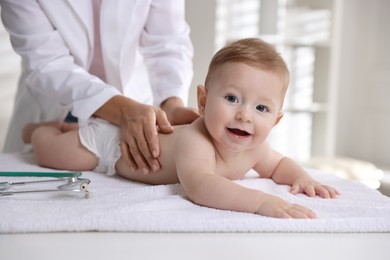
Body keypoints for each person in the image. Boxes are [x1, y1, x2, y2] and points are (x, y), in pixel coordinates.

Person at [24, 38, 339, 219]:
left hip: (132, 137)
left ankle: (64, 126)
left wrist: (302, 178)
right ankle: (41, 129)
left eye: (261, 108)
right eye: (232, 98)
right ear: (202, 100)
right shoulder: (196, 141)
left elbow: (279, 165)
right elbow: (201, 186)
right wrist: (260, 202)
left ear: (276, 120)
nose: (245, 115)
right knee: (52, 154)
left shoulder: (255, 148)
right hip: (113, 144)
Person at [0, 0, 199, 174]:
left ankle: (39, 132)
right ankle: (37, 131)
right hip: (54, 100)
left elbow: (167, 43)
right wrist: (122, 111)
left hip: (138, 103)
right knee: (50, 149)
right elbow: (47, 61)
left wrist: (170, 102)